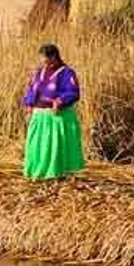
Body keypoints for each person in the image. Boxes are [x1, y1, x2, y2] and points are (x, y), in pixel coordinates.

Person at [21, 43, 86, 180]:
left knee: (53, 146)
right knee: (37, 145)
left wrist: (60, 101)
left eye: (46, 60)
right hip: (39, 116)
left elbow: (73, 92)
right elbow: (32, 89)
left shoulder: (67, 73)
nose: (44, 64)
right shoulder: (40, 72)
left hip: (56, 116)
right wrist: (29, 104)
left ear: (54, 57)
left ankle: (55, 173)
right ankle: (37, 172)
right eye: (42, 60)